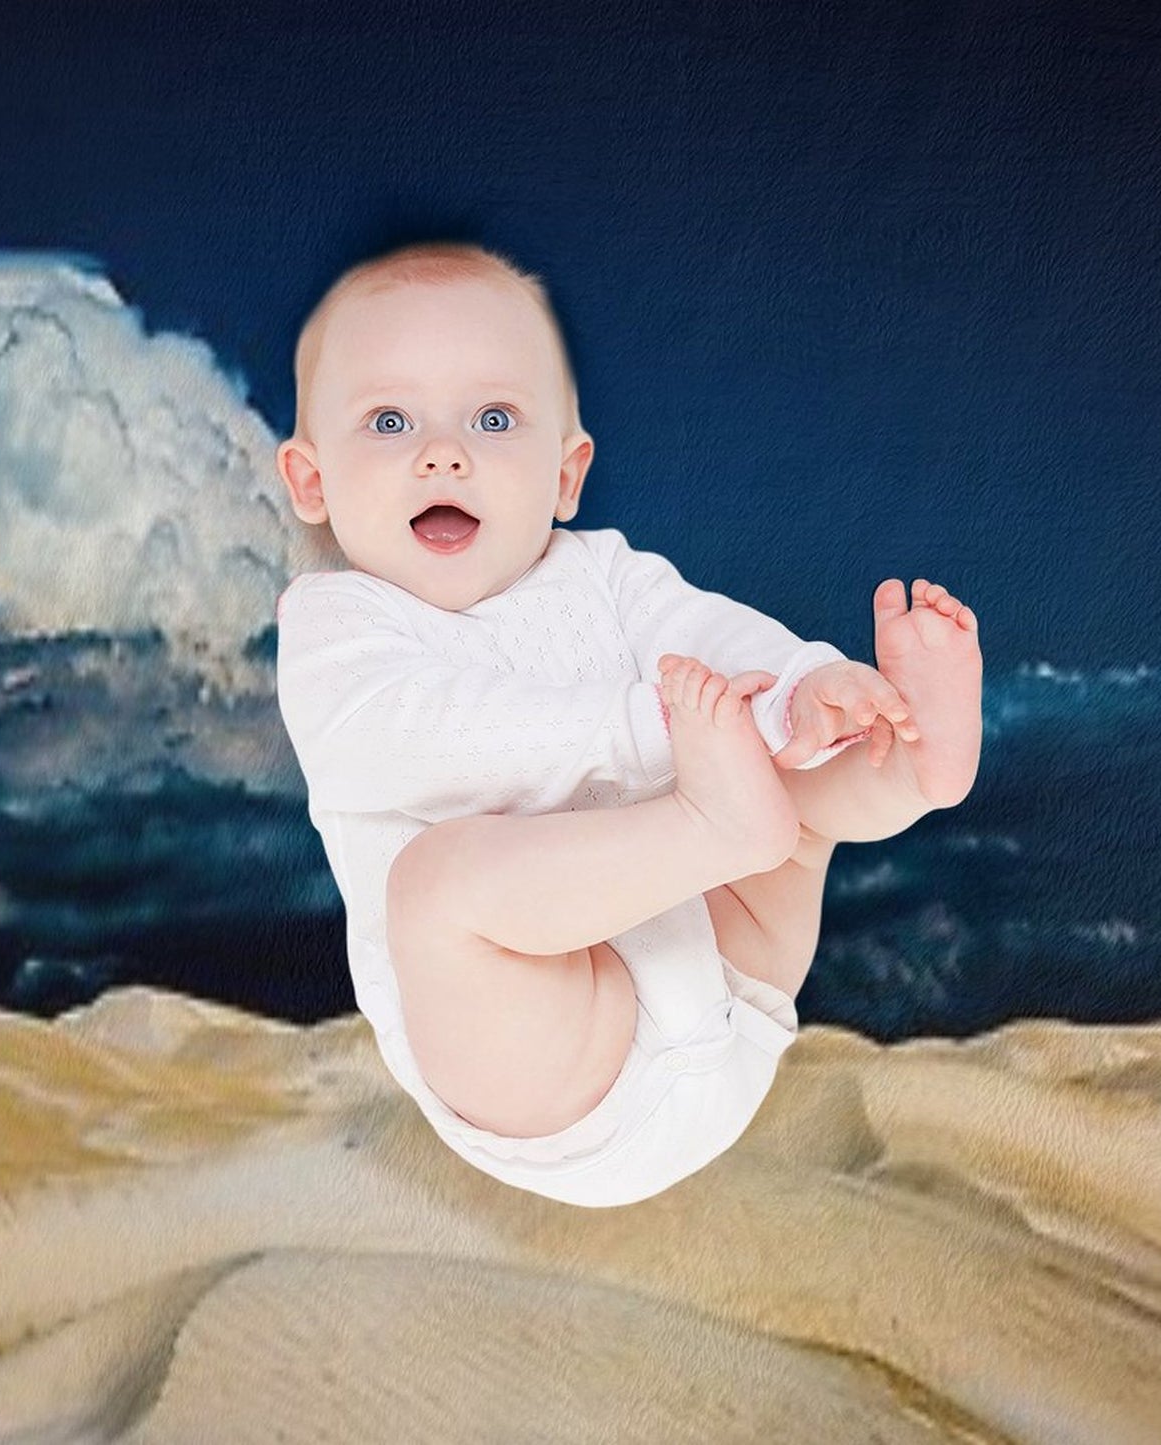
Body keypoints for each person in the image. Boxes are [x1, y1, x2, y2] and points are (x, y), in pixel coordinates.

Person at [274, 240, 983, 1207]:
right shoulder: (337, 626)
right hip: (557, 1066)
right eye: (389, 420)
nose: (444, 452)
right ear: (311, 482)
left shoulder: (603, 573)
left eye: (493, 417)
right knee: (435, 886)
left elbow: (706, 632)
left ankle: (904, 766)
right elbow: (417, 739)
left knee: (789, 781)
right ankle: (725, 822)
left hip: (732, 977)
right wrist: (655, 729)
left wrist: (801, 686)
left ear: (565, 476)